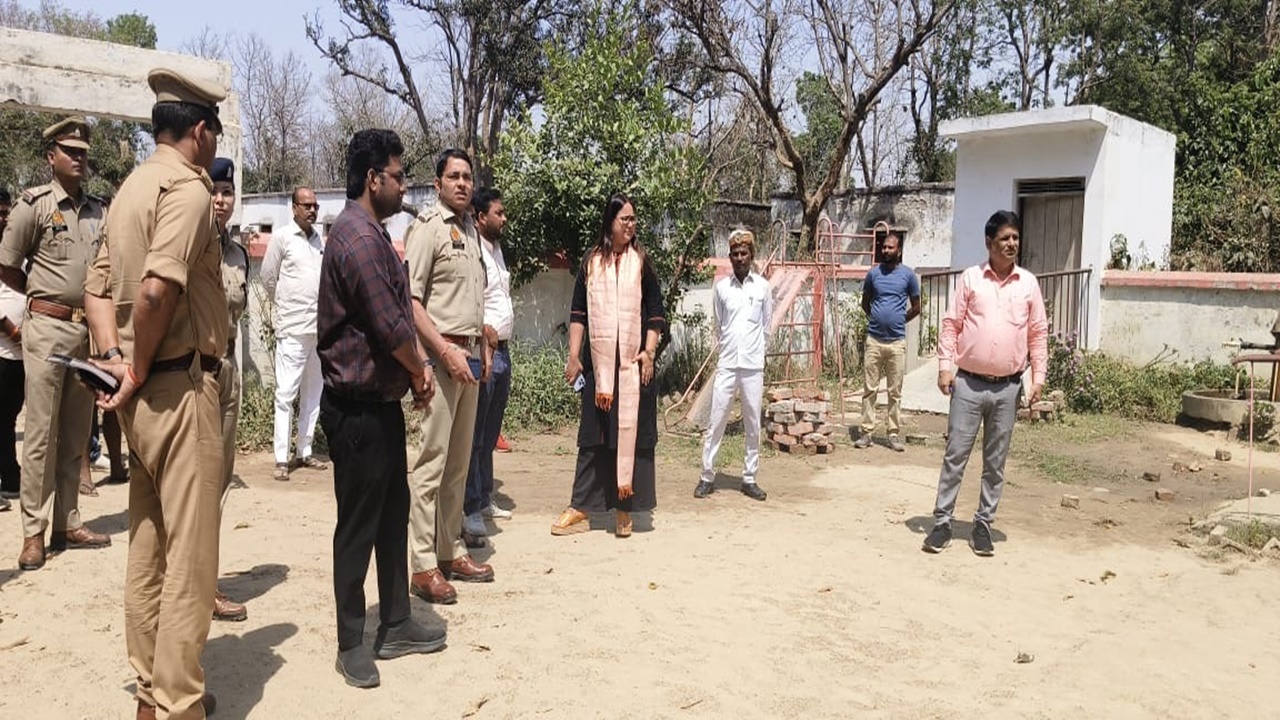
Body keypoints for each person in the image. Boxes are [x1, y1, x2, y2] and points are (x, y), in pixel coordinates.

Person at [83, 67, 229, 719]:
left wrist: (114, 359)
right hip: (177, 389)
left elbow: (96, 290)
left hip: (140, 398)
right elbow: (153, 292)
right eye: (213, 132)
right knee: (191, 558)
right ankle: (177, 703)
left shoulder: (129, 191)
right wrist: (138, 368)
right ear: (199, 130)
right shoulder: (188, 191)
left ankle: (150, 690)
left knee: (149, 547)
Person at [318, 128, 444, 688]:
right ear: (373, 179)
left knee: (393, 516)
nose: (403, 186)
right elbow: (390, 325)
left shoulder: (372, 233)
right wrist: (419, 370)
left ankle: (395, 623)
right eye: (397, 176)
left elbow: (396, 317)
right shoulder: (358, 240)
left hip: (379, 405)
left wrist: (412, 371)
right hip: (357, 412)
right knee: (358, 527)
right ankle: (351, 642)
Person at [0, 116, 112, 570]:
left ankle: (68, 521)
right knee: (40, 435)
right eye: (70, 151)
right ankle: (34, 531)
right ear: (51, 157)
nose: (78, 158)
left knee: (76, 431)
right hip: (47, 328)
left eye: (83, 152)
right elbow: (7, 266)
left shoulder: (99, 210)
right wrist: (40, 297)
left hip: (86, 332)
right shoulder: (34, 205)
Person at [923, 210, 1048, 557]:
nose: (1012, 243)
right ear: (989, 242)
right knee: (956, 455)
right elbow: (951, 324)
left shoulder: (1028, 284)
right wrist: (944, 368)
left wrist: (1038, 377)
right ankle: (942, 522)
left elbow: (1038, 333)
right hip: (968, 385)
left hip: (1008, 388)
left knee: (995, 461)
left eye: (1015, 237)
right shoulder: (971, 279)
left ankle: (983, 524)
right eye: (1005, 238)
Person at [404, 149, 494, 605]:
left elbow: (473, 297)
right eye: (453, 176)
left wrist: (482, 345)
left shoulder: (472, 230)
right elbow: (412, 301)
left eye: (467, 177)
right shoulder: (428, 229)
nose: (462, 183)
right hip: (442, 360)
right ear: (437, 183)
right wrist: (440, 353)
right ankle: (422, 565)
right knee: (430, 464)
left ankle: (449, 549)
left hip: (470, 357)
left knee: (458, 463)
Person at [552, 193, 664, 538]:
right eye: (624, 219)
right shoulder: (592, 262)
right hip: (599, 370)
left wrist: (649, 352)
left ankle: (624, 509)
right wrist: (574, 356)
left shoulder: (641, 262)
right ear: (610, 222)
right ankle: (581, 507)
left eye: (633, 219)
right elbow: (578, 313)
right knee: (594, 436)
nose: (630, 225)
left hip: (633, 368)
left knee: (631, 435)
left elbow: (656, 313)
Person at [695, 229, 772, 502]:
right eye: (735, 254)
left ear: (751, 255)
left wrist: (757, 353)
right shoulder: (721, 288)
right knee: (716, 421)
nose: (740, 258)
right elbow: (719, 325)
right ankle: (707, 476)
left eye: (744, 253)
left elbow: (766, 327)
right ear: (730, 257)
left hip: (752, 366)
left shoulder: (762, 287)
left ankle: (749, 478)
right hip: (727, 364)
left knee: (752, 423)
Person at [260, 186, 326, 481]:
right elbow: (268, 277)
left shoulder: (319, 240)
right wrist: (285, 305)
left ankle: (304, 450)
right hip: (292, 327)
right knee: (286, 394)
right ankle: (281, 458)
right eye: (307, 205)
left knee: (313, 394)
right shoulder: (282, 237)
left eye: (315, 206)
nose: (312, 210)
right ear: (294, 208)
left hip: (317, 329)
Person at [210, 157, 249, 622]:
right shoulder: (190, 245)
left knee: (219, 482)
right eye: (215, 192)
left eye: (227, 193)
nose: (221, 200)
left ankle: (208, 580)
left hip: (229, 367)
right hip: (194, 371)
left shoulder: (238, 255)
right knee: (195, 485)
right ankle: (196, 585)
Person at [462, 187, 514, 539]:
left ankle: (483, 498)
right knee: (475, 434)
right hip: (484, 353)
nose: (504, 218)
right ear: (480, 217)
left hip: (504, 352)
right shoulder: (473, 252)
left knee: (491, 432)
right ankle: (469, 509)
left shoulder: (496, 250)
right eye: (498, 213)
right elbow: (469, 300)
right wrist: (483, 335)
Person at [854, 232, 920, 452]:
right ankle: (866, 433)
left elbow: (917, 307)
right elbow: (865, 303)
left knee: (895, 391)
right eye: (884, 247)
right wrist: (877, 318)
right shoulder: (873, 274)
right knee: (869, 389)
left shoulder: (908, 276)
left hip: (896, 343)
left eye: (890, 247)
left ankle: (893, 434)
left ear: (899, 251)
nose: (886, 250)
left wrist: (899, 320)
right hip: (874, 340)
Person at [0, 188, 20, 511]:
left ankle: (11, 477)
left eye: (7, 213)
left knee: (9, 416)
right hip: (3, 348)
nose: (4, 219)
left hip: (20, 353)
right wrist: (12, 330)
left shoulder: (16, 248)